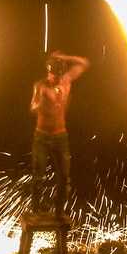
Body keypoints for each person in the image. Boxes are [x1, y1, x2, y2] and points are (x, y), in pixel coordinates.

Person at [30, 50, 89, 218]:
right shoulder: (40, 86)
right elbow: (32, 107)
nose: (54, 78)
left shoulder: (66, 81)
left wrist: (65, 57)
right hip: (41, 137)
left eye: (57, 75)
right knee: (38, 175)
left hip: (60, 137)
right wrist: (40, 104)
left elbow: (84, 63)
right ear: (48, 72)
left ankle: (59, 209)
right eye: (52, 75)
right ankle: (36, 209)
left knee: (64, 176)